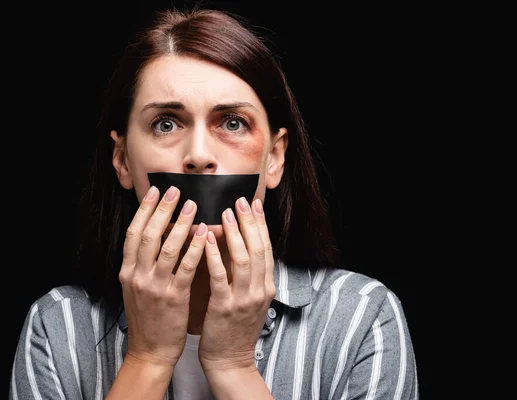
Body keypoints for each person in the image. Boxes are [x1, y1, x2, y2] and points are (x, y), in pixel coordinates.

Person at [9, 6, 418, 400]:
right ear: (122, 160)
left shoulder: (361, 316)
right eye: (165, 123)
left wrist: (233, 367)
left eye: (233, 123)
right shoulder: (57, 326)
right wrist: (147, 360)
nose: (199, 154)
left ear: (273, 158)